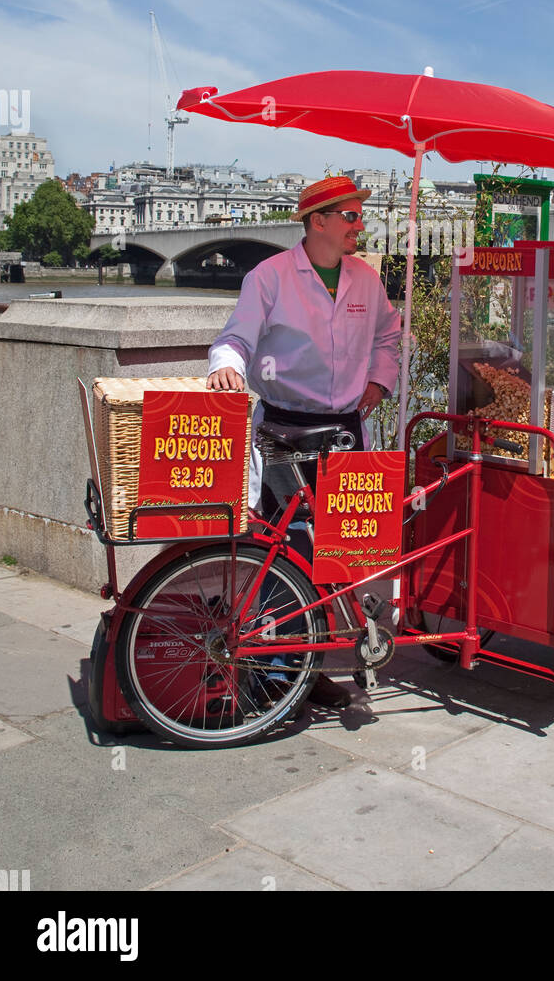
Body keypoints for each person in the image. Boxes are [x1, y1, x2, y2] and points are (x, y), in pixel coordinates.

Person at [207, 174, 402, 707]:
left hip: (345, 427)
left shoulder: (365, 279)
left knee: (342, 546)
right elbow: (236, 338)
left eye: (361, 215)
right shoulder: (268, 277)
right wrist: (226, 368)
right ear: (317, 221)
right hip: (284, 428)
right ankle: (275, 670)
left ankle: (324, 655)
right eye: (350, 216)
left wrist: (380, 380)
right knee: (284, 548)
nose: (360, 225)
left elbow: (389, 334)